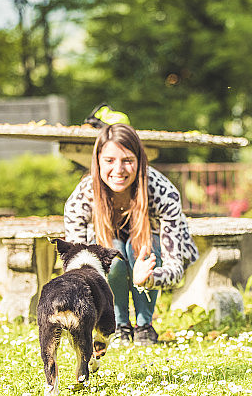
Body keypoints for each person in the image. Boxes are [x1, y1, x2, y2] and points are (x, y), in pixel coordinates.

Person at [63, 123, 199, 345]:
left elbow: (176, 269)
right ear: (97, 161)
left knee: (138, 248)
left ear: (140, 161)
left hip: (149, 247)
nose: (118, 170)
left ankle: (145, 325)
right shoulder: (81, 199)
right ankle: (117, 325)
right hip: (107, 249)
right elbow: (77, 268)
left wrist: (149, 277)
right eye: (109, 160)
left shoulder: (163, 192)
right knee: (112, 256)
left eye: (127, 160)